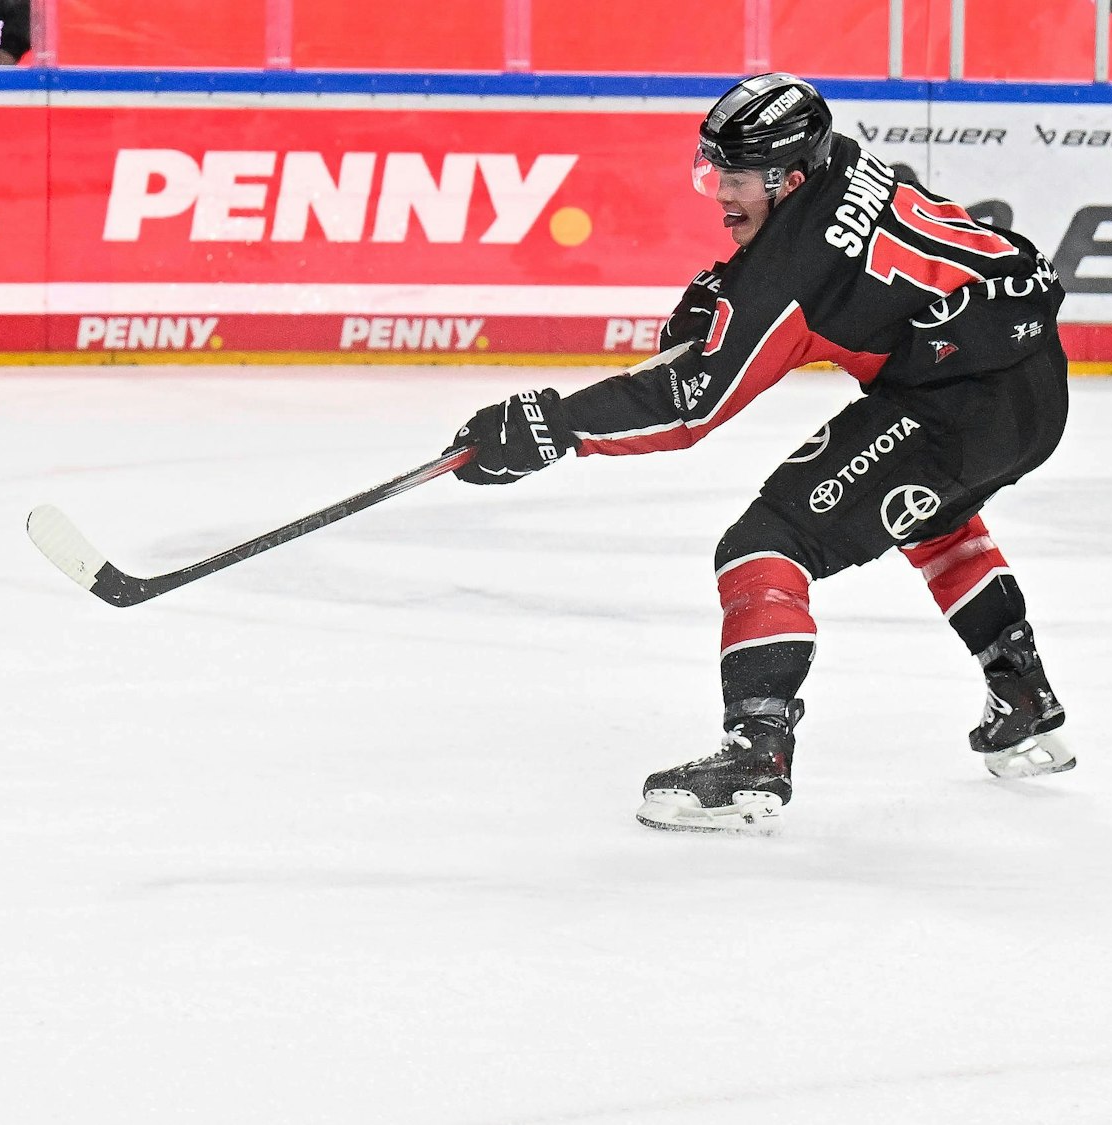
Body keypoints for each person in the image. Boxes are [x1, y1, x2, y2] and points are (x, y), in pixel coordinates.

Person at [446, 73, 1073, 834]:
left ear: (788, 179)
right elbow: (828, 261)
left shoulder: (789, 272)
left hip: (962, 405)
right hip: (1033, 384)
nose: (720, 193)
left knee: (765, 544)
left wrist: (550, 426)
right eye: (716, 171)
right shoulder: (840, 161)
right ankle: (1023, 695)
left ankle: (756, 754)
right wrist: (728, 287)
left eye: (737, 177)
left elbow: (688, 405)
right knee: (930, 516)